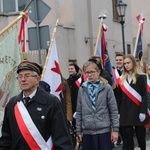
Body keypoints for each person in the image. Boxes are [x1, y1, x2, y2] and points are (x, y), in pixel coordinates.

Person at [0, 60, 73, 150]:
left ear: (37, 79)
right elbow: (6, 138)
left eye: (27, 76)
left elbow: (62, 138)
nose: (23, 79)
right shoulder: (13, 103)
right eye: (20, 76)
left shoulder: (51, 102)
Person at [76, 59, 119, 150]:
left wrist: (115, 130)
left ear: (98, 72)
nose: (89, 75)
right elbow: (79, 111)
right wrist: (78, 131)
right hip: (88, 131)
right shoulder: (82, 89)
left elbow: (113, 110)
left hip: (103, 130)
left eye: (92, 72)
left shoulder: (106, 88)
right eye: (87, 72)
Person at [119, 55, 148, 150]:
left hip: (138, 111)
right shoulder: (121, 79)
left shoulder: (142, 77)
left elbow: (145, 95)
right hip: (126, 113)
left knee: (141, 139)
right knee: (128, 140)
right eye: (125, 63)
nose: (126, 65)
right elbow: (119, 98)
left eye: (128, 63)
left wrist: (143, 111)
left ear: (133, 63)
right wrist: (119, 112)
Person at [113, 53, 127, 149]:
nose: (118, 61)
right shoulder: (113, 73)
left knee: (127, 130)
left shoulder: (127, 72)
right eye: (117, 60)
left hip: (127, 105)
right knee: (121, 128)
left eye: (120, 60)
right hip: (116, 104)